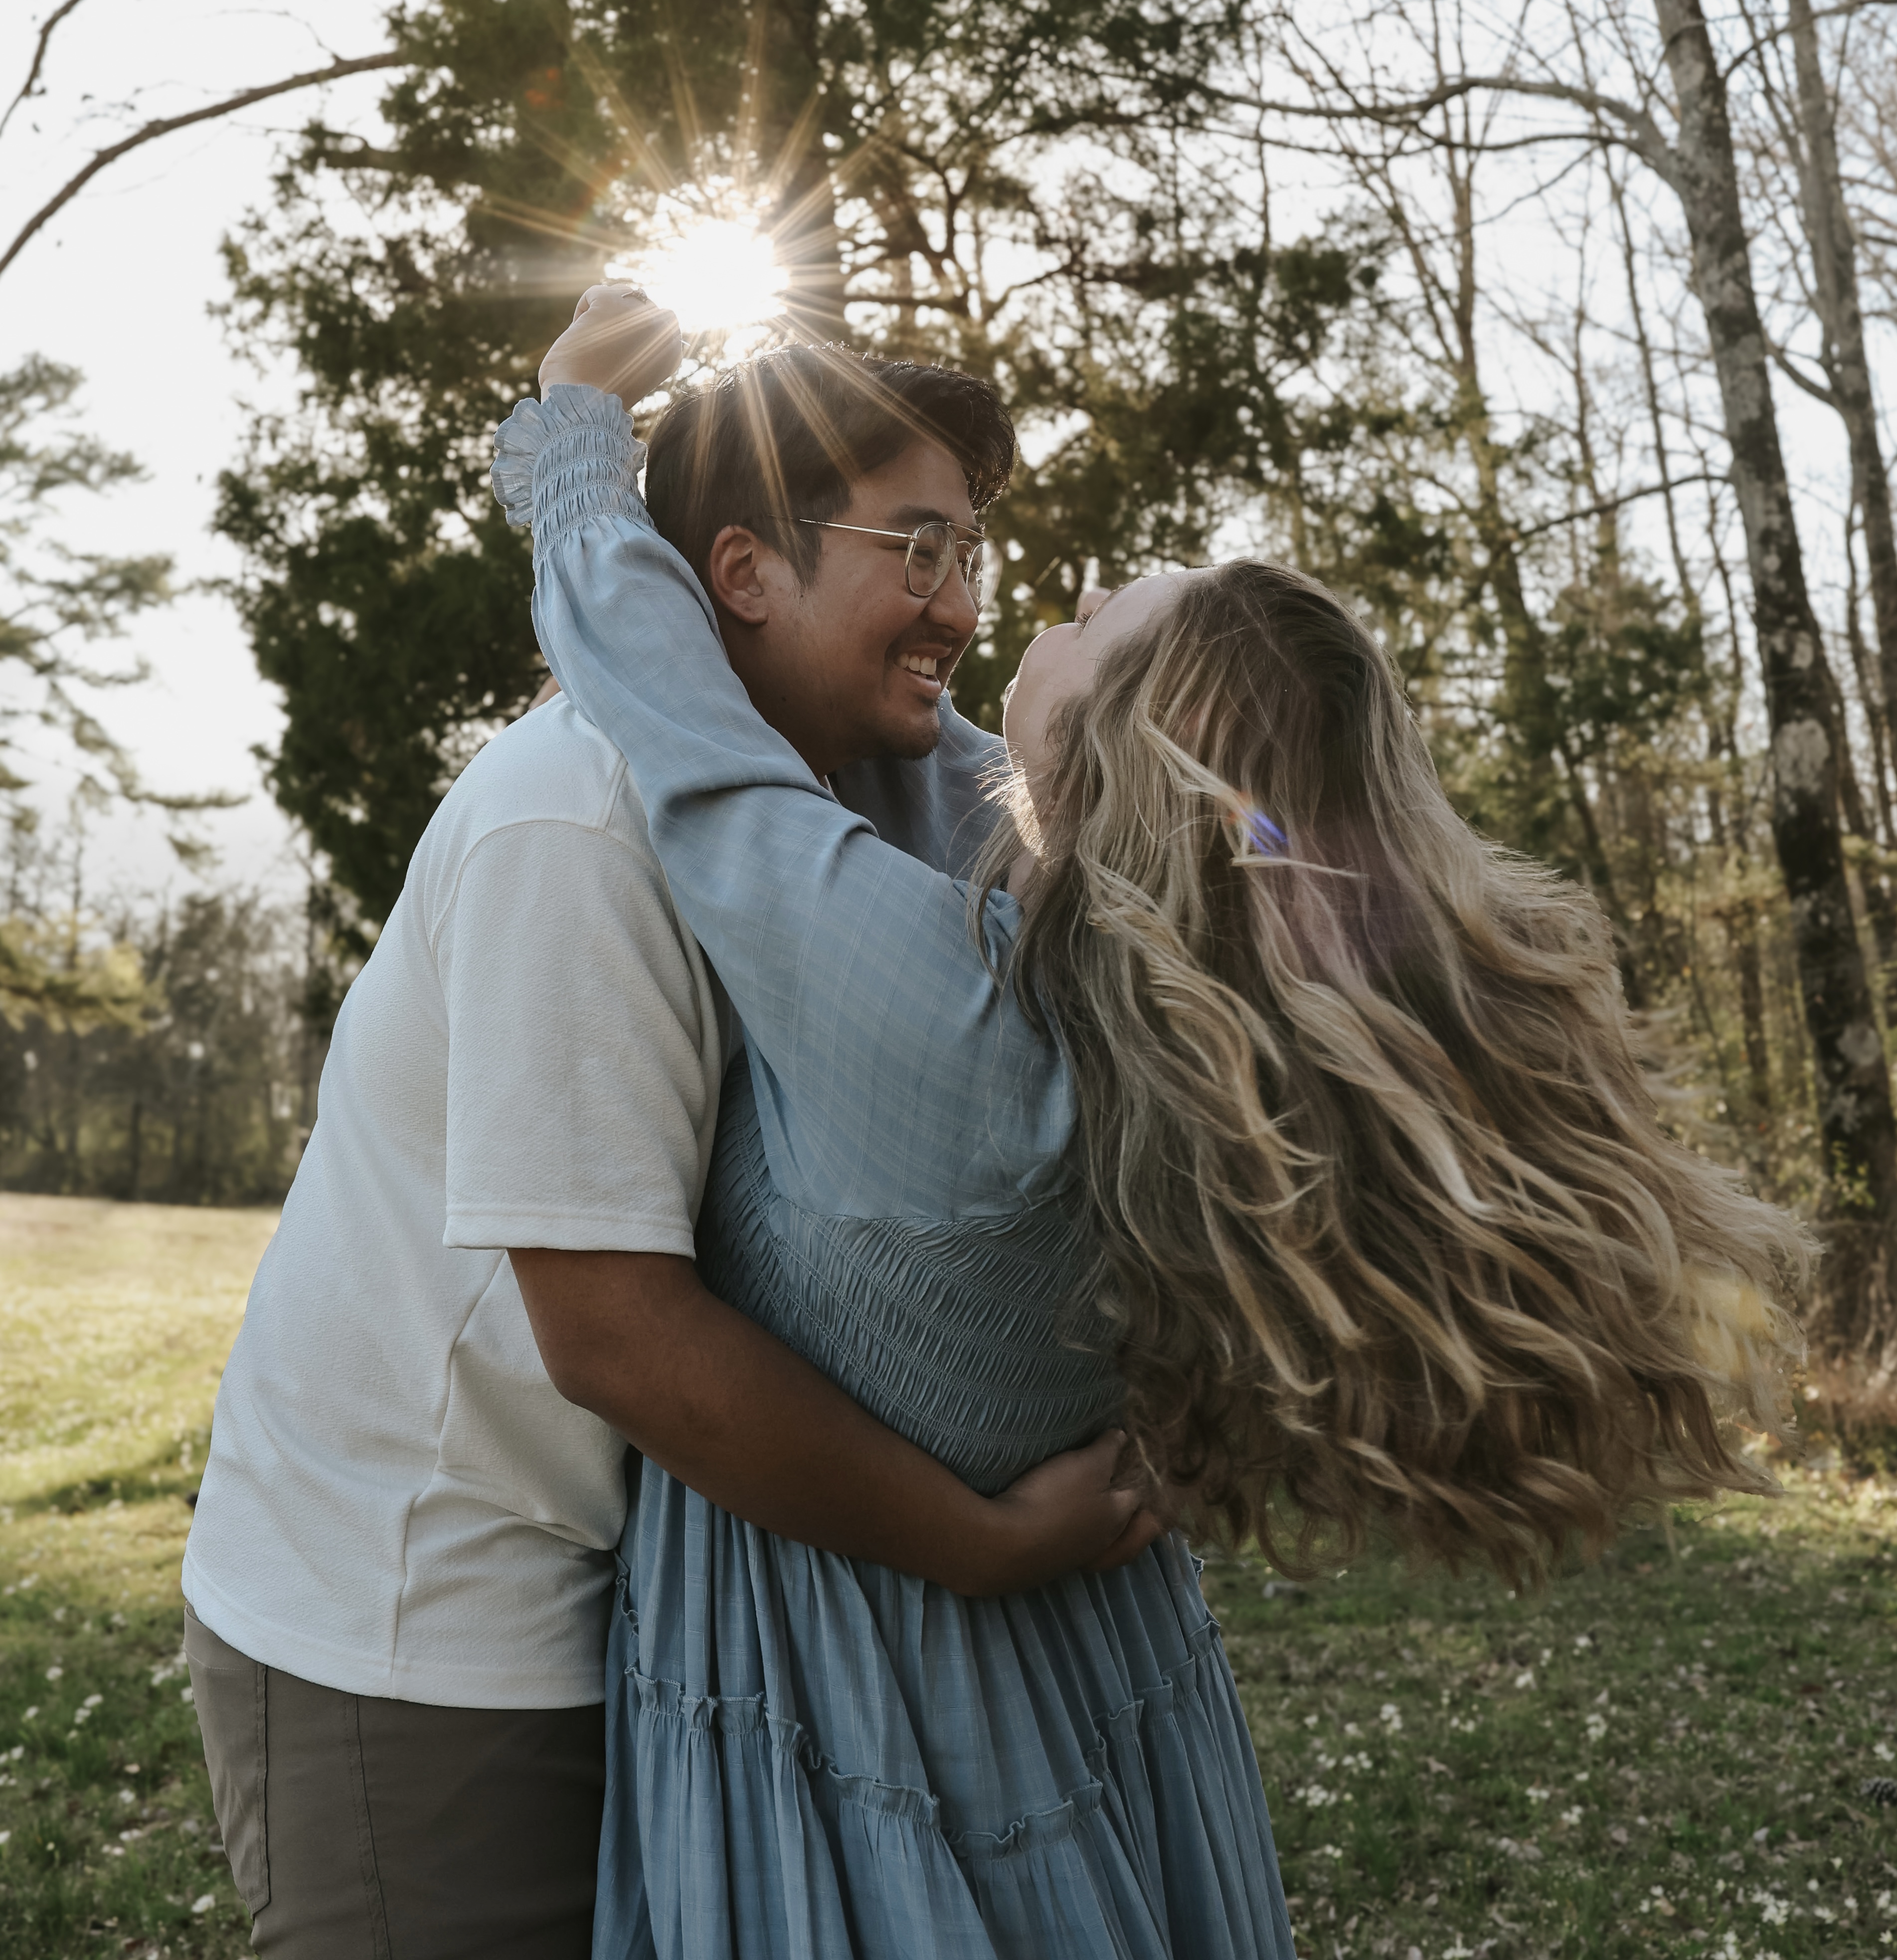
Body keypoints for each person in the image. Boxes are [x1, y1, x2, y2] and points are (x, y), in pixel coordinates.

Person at [500, 286, 1805, 1960]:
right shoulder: (1196, 1035)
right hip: (1099, 1666)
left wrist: (568, 438)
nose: (1049, 596)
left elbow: (690, 729)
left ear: (1119, 746)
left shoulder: (957, 1019)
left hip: (848, 1686)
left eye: (1112, 610)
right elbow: (945, 761)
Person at [180, 326, 1156, 1960]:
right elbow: (616, 1335)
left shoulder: (839, 802)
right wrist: (978, 1544)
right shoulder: (577, 823)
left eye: (971, 554)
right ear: (744, 572)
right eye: (918, 549)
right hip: (425, 1624)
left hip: (633, 1608)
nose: (961, 606)